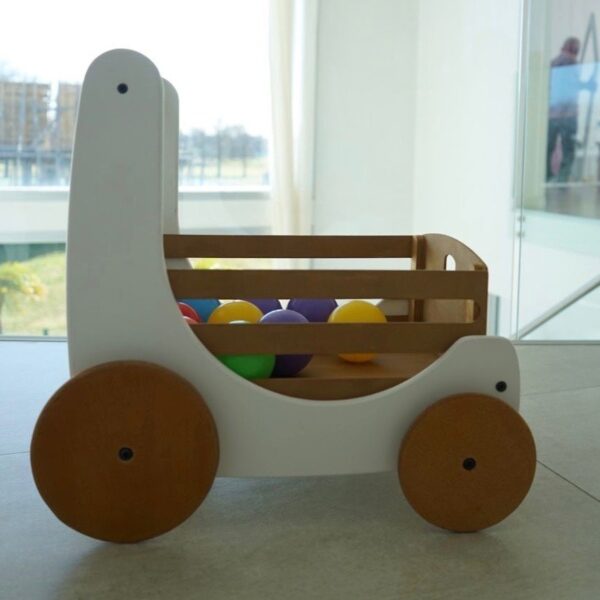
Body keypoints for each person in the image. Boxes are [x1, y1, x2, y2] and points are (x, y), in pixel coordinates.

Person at [546, 37, 596, 182]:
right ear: (575, 50)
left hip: (553, 114)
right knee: (568, 149)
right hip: (568, 114)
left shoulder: (553, 63)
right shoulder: (571, 63)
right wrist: (588, 85)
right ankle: (562, 179)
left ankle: (547, 176)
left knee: (549, 147)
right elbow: (572, 85)